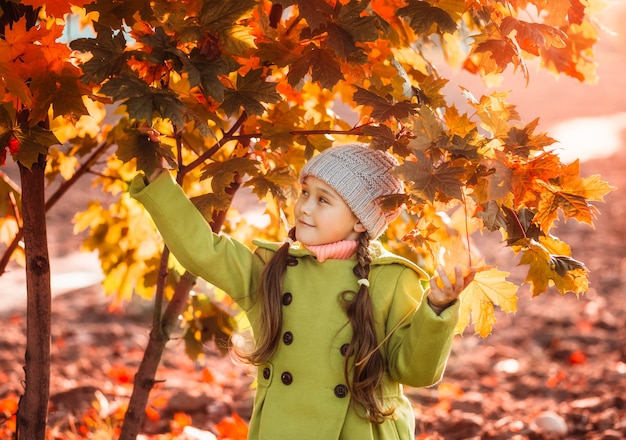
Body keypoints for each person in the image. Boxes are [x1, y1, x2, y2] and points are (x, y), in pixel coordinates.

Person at [130, 143, 471, 440]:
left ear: (360, 220)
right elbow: (205, 250)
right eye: (305, 193)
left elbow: (414, 371)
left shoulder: (392, 279)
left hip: (362, 431)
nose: (305, 207)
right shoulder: (272, 270)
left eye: (324, 200)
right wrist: (158, 184)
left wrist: (437, 309)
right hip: (283, 428)